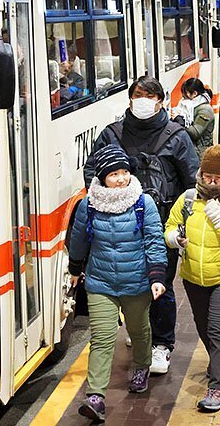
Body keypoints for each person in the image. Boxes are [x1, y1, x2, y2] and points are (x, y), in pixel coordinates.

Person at [84, 76, 199, 375]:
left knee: (160, 284)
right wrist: (104, 203)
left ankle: (161, 343)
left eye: (150, 95)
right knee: (127, 285)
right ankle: (140, 333)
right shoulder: (112, 134)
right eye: (138, 94)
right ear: (129, 99)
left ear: (161, 101)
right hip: (118, 228)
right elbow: (92, 171)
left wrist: (183, 224)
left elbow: (192, 181)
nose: (143, 101)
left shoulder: (177, 136)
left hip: (161, 226)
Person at [69, 145, 167, 421]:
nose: (122, 179)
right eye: (114, 174)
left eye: (124, 172)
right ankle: (96, 396)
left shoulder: (142, 203)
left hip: (136, 282)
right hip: (100, 282)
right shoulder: (88, 205)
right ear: (102, 178)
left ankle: (142, 365)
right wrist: (75, 268)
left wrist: (157, 276)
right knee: (101, 338)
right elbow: (79, 239)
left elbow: (154, 241)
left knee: (139, 329)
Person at [164, 145, 220, 412]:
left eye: (218, 178)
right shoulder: (190, 199)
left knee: (217, 329)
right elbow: (169, 227)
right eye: (207, 176)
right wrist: (174, 239)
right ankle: (217, 360)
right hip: (193, 278)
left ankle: (218, 387)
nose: (211, 182)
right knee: (204, 328)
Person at [173, 78, 215, 158]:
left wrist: (180, 121)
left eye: (185, 94)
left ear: (194, 93)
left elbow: (196, 133)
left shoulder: (205, 110)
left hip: (200, 153)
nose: (183, 98)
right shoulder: (190, 107)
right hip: (192, 150)